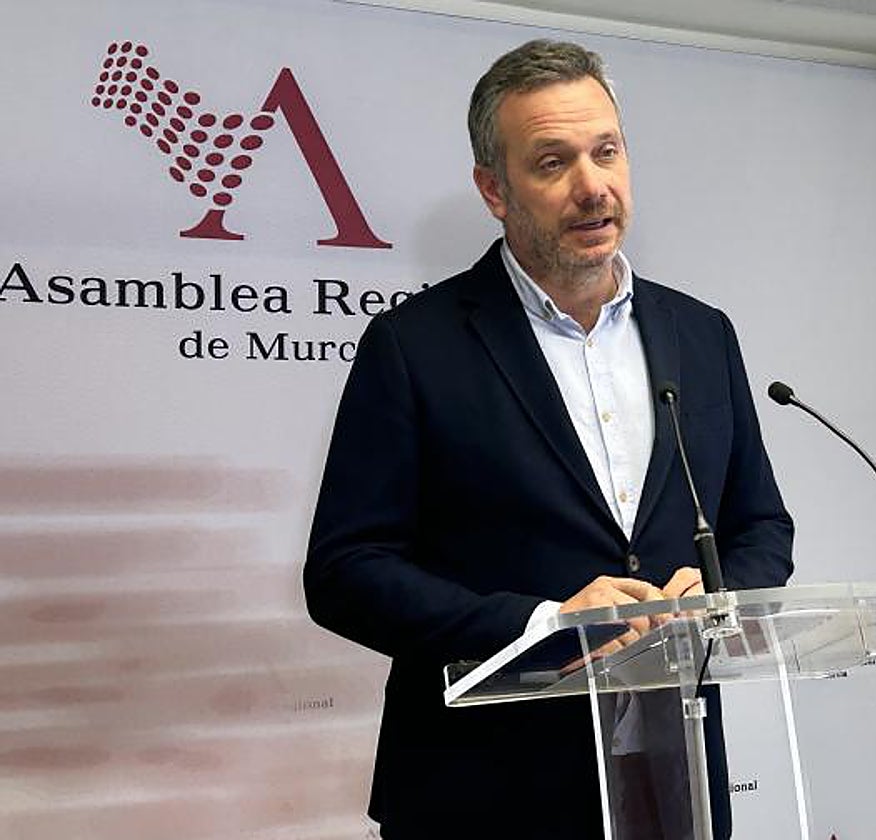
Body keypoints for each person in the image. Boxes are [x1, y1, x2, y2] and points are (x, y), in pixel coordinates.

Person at [305, 39, 793, 839]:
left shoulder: (701, 334)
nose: (592, 185)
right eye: (553, 162)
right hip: (482, 794)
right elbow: (345, 572)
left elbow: (762, 528)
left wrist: (714, 597)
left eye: (607, 151)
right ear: (493, 190)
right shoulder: (414, 345)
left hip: (673, 788)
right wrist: (543, 624)